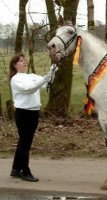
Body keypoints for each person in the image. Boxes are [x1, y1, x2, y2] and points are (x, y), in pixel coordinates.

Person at [8, 52, 57, 182]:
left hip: (34, 112)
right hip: (23, 113)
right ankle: (25, 172)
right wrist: (45, 78)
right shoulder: (15, 79)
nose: (24, 61)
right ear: (14, 65)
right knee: (25, 143)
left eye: (24, 59)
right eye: (20, 60)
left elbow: (46, 84)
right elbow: (28, 89)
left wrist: (52, 72)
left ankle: (15, 169)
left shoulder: (32, 75)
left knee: (24, 142)